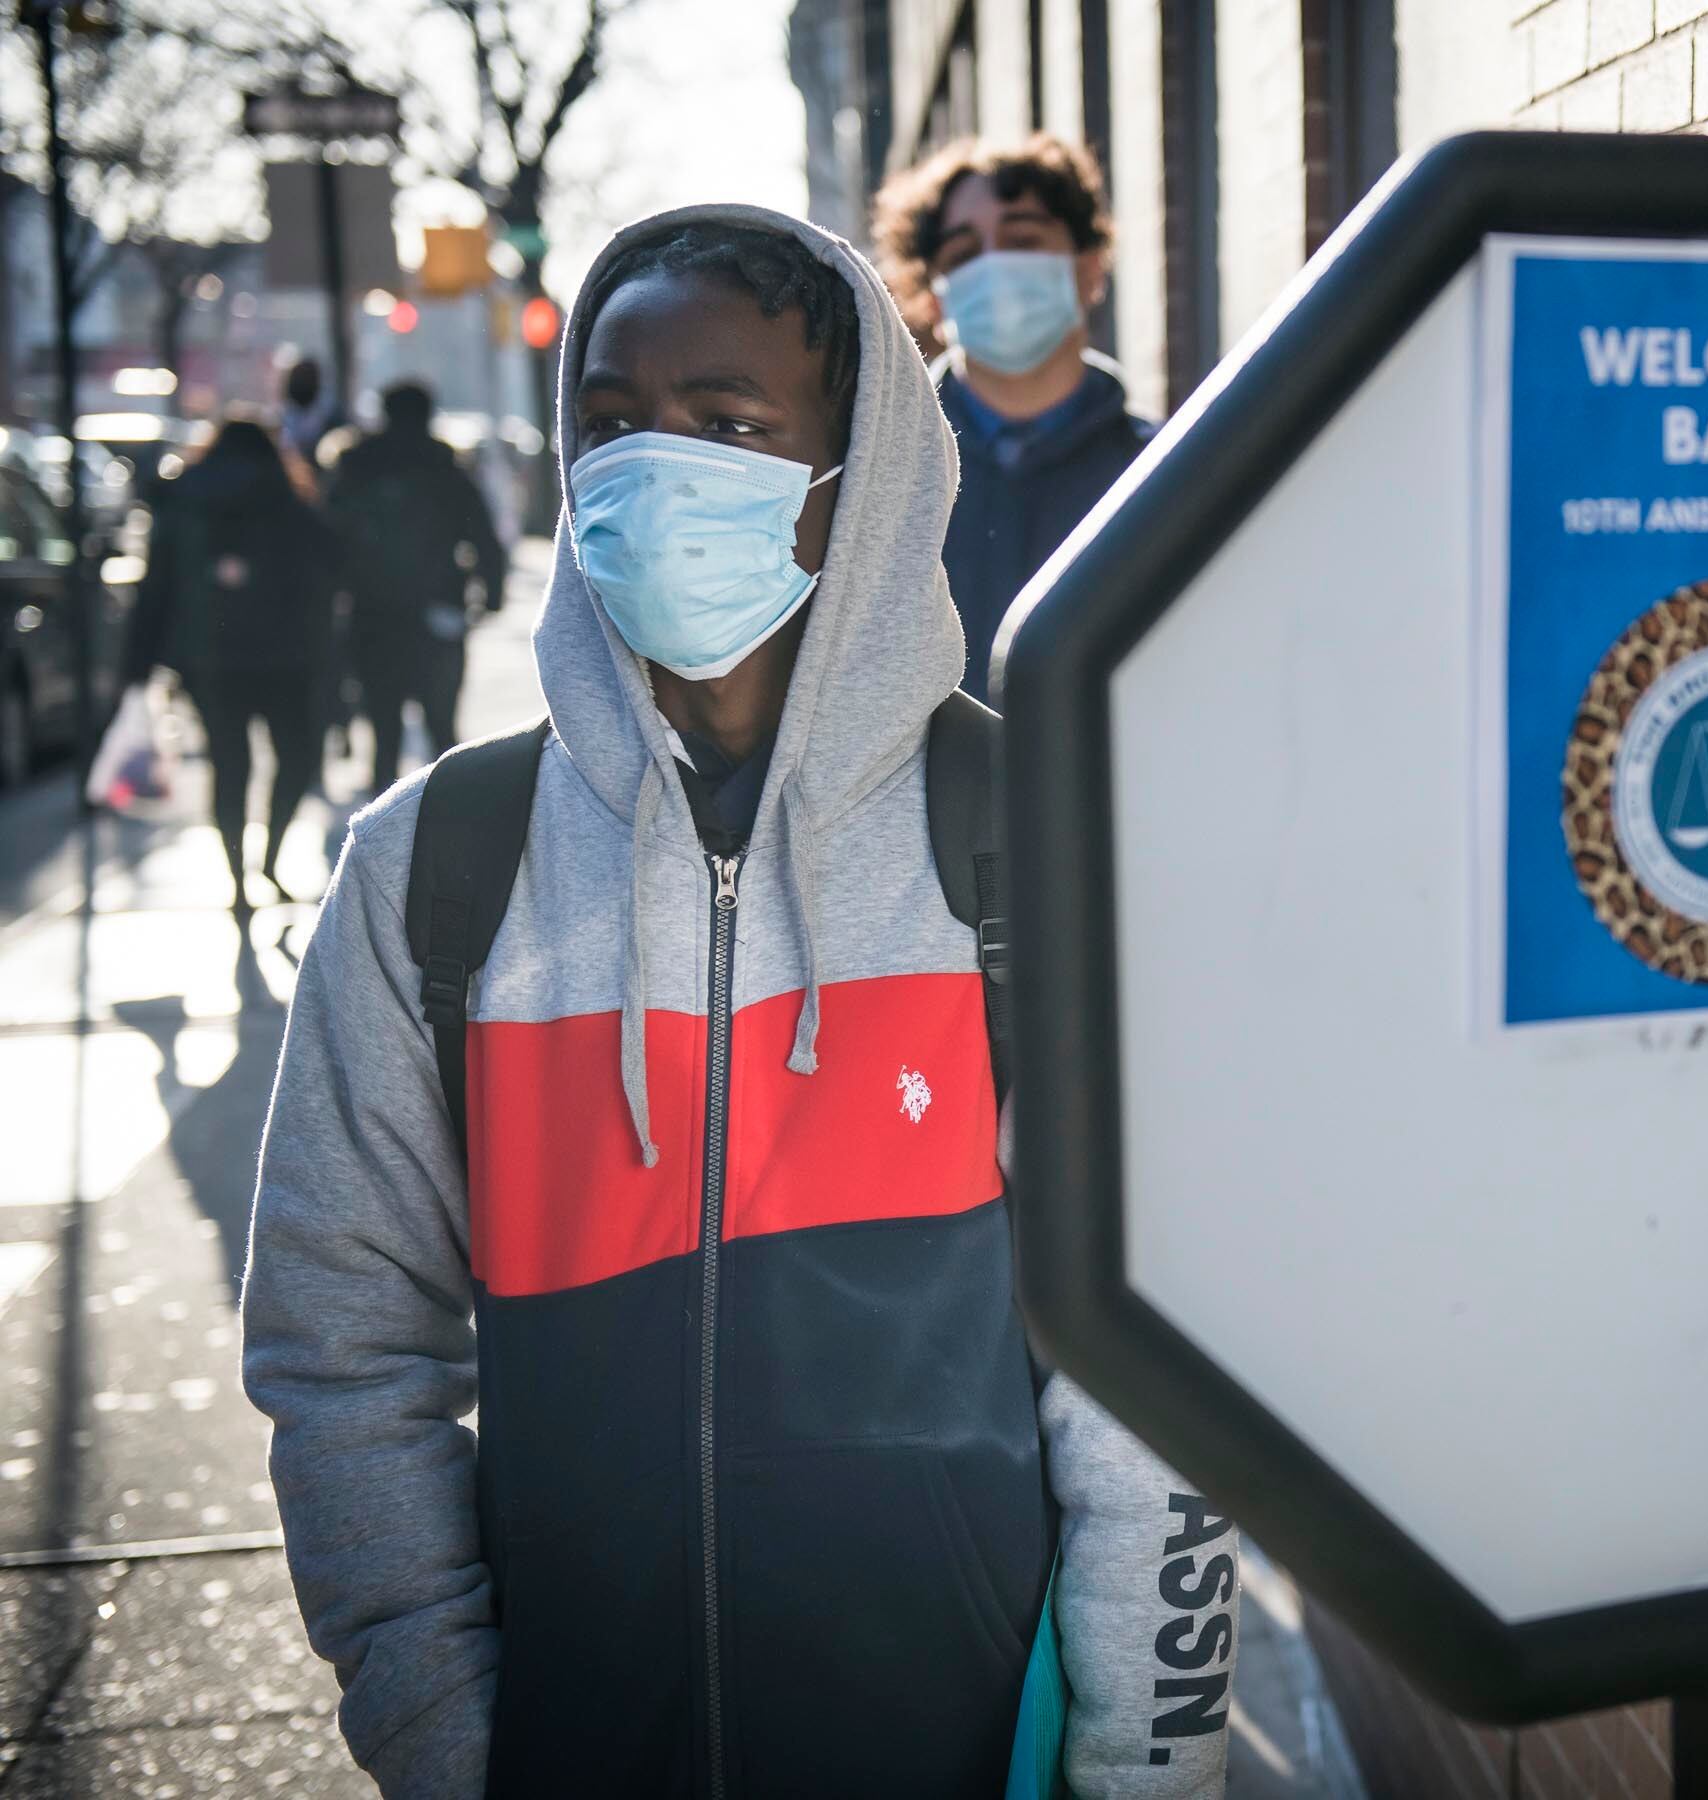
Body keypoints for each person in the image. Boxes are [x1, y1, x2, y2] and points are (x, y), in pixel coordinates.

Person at [242, 206, 1236, 1797]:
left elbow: (1161, 1383)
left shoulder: (1035, 843)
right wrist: (447, 1738)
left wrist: (1147, 1767)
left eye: (728, 424)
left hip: (964, 1749)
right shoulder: (438, 865)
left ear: (862, 473)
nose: (653, 467)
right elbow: (341, 1346)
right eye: (613, 423)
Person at [875, 133, 1155, 702]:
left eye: (1023, 239)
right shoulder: (876, 485)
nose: (995, 267)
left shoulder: (1164, 468)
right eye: (963, 254)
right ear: (932, 298)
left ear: (1089, 268)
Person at [121, 419, 336, 913]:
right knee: (294, 758)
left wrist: (136, 665)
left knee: (228, 764)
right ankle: (271, 858)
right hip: (285, 655)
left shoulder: (183, 500)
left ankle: (237, 881)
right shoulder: (285, 496)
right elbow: (334, 561)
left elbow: (155, 587)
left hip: (208, 658)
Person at [323, 381, 508, 789]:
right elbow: (486, 542)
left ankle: (382, 822)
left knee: (382, 728)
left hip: (371, 614)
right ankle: (450, 821)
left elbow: (328, 542)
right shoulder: (447, 471)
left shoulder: (356, 469)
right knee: (441, 725)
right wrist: (490, 597)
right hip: (437, 613)